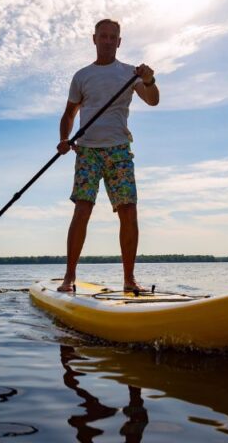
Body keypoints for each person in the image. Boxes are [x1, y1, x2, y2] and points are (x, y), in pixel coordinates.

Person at [55, 19, 159, 293]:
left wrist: (149, 79)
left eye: (113, 37)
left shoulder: (130, 73)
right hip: (87, 151)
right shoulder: (82, 76)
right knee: (82, 209)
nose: (108, 41)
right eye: (103, 36)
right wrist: (64, 139)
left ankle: (129, 279)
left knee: (128, 211)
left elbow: (153, 99)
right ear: (94, 39)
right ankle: (69, 277)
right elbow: (69, 114)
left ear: (119, 41)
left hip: (119, 150)